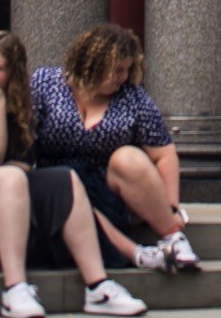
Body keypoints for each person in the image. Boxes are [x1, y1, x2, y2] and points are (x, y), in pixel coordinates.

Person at [0, 29, 147, 318]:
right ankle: (15, 289)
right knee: (10, 178)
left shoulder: (18, 108)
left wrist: (3, 162)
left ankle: (98, 287)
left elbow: (22, 160)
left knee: (65, 178)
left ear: (13, 75)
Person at [31, 24, 200, 276]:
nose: (123, 77)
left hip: (106, 187)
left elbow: (164, 154)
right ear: (92, 63)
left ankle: (172, 236)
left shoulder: (132, 97)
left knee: (128, 157)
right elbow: (24, 132)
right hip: (56, 183)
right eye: (117, 69)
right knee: (68, 190)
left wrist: (171, 207)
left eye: (128, 69)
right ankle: (137, 255)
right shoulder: (45, 83)